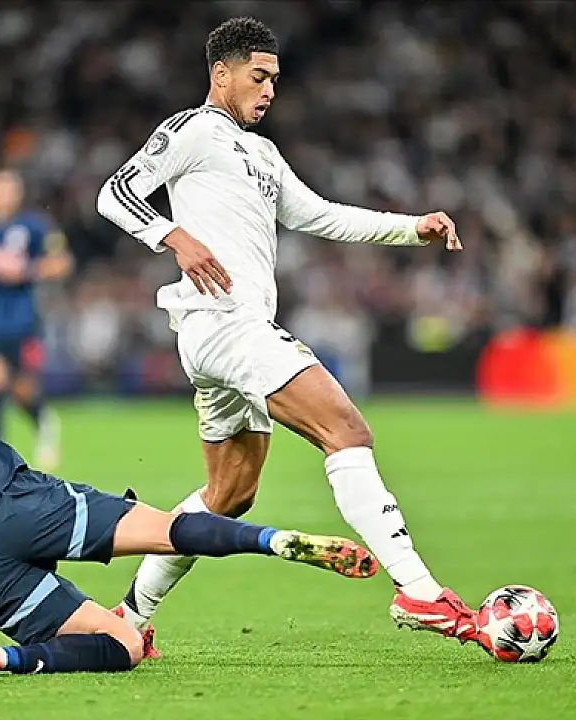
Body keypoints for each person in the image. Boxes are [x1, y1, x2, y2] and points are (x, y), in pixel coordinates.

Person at [0, 103, 378, 680]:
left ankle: (1, 659)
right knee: (168, 530)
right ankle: (270, 541)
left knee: (123, 647)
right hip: (20, 501)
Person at [95, 17, 477, 658]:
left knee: (229, 495)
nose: (270, 90)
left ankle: (131, 615)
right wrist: (174, 237)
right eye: (259, 76)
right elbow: (116, 192)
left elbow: (320, 215)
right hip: (227, 326)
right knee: (346, 430)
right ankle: (418, 589)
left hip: (223, 335)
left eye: (275, 79)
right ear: (221, 73)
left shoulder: (263, 155)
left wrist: (412, 228)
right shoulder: (193, 131)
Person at [0, 169, 70, 469]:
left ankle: (44, 423)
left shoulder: (34, 226)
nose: (3, 196)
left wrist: (26, 269)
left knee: (23, 388)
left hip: (24, 317)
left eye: (9, 189)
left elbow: (62, 263)